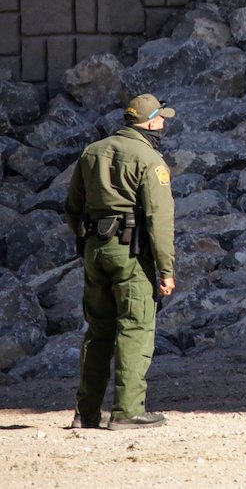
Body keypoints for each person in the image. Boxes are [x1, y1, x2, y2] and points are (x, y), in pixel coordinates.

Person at [64, 94, 177, 430]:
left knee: (98, 330)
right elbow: (159, 219)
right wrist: (166, 270)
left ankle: (86, 412)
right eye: (162, 119)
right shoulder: (150, 159)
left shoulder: (92, 151)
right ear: (152, 121)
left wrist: (88, 242)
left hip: (95, 250)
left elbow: (72, 208)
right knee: (136, 327)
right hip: (131, 252)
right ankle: (127, 411)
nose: (164, 124)